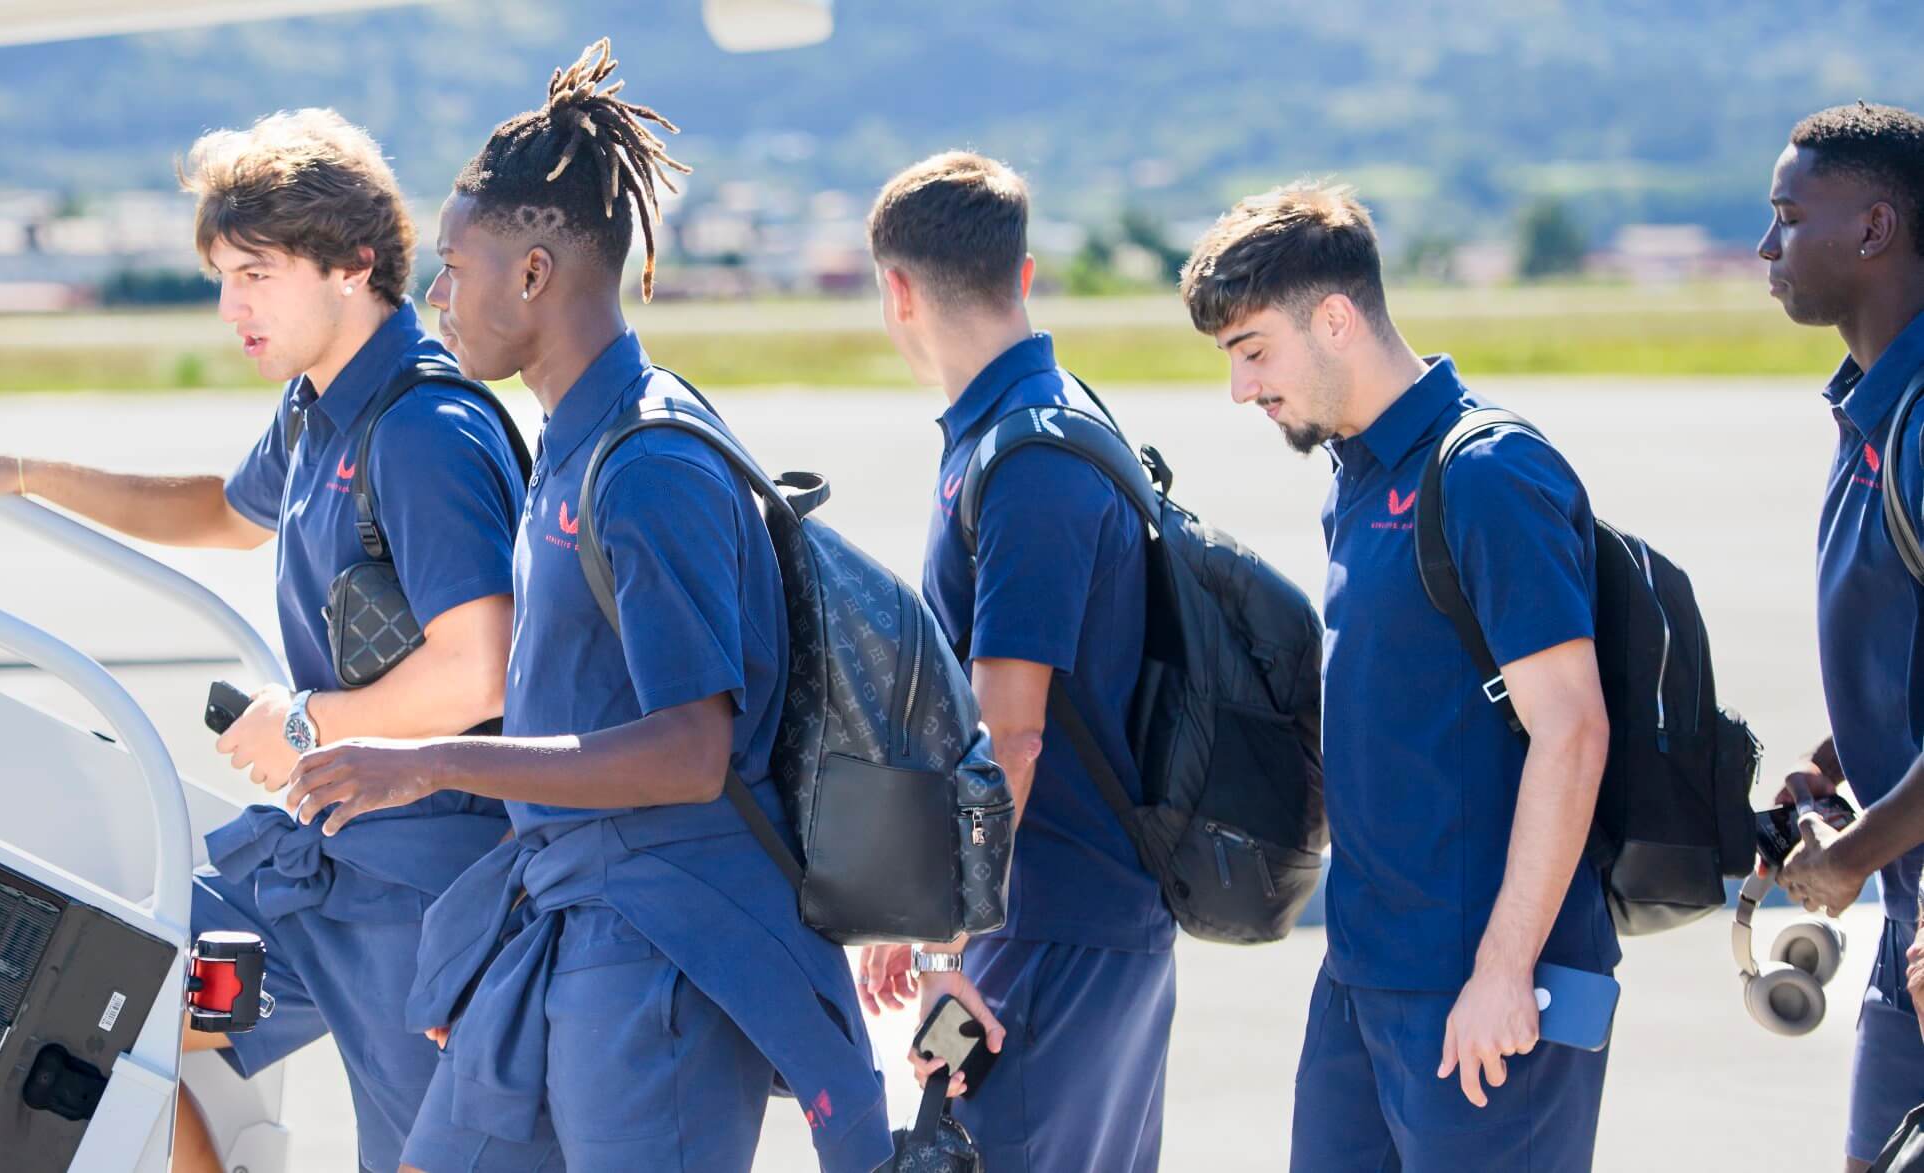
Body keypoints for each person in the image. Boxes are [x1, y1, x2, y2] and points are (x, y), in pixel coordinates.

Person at [271, 40, 893, 1173]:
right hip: (562, 917)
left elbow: (688, 752)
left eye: (455, 267)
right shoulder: (574, 440)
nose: (437, 296)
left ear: (535, 273)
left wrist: (437, 761)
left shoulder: (649, 461)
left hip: (657, 946)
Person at [0, 109, 523, 1173]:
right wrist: (24, 474)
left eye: (256, 273)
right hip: (322, 855)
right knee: (89, 1012)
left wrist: (309, 724)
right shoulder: (321, 410)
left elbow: (483, 665)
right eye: (224, 274)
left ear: (354, 264)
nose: (231, 305)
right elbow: (219, 513)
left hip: (427, 884)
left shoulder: (424, 432)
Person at [1179, 181, 1616, 1170]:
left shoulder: (1488, 473)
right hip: (1365, 978)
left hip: (1487, 992)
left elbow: (1573, 730)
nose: (1241, 387)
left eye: (1253, 351)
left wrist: (1504, 972)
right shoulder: (1360, 473)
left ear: (1335, 320)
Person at [851, 150, 1174, 1172]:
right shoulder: (1020, 425)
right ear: (1023, 276)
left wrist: (944, 940)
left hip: (1047, 932)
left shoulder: (1026, 458)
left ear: (896, 292)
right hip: (1036, 923)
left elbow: (1010, 734)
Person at [1751, 102, 1924, 1169]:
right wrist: (1840, 754)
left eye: (1785, 216)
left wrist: (1848, 859)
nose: (1766, 247)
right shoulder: (1872, 404)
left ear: (1871, 230)